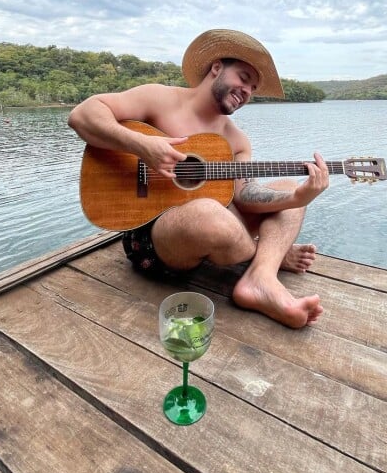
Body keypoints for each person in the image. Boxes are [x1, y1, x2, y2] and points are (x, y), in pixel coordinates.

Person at [68, 29, 328, 329]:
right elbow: (83, 114)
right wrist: (142, 145)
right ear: (216, 67)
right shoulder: (160, 98)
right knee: (210, 214)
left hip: (215, 231)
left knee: (288, 187)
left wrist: (299, 198)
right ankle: (271, 253)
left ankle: (261, 279)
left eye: (253, 88)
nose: (246, 91)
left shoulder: (237, 140)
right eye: (243, 78)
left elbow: (245, 195)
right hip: (152, 240)